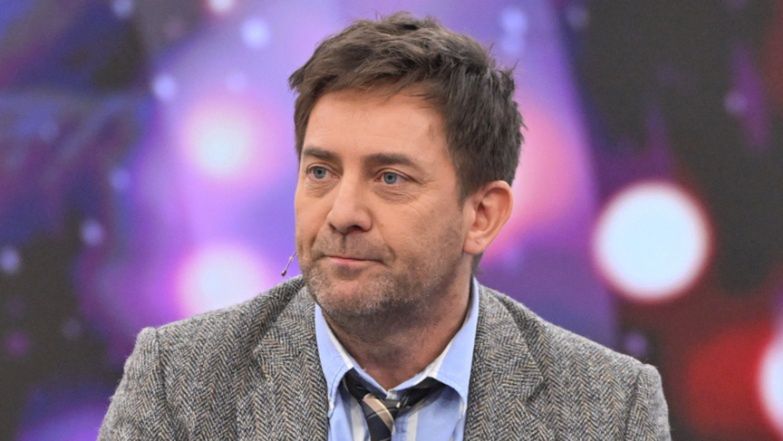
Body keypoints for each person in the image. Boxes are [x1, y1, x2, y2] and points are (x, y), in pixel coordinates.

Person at [99, 12, 670, 440]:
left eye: (390, 178)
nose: (342, 212)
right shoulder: (179, 381)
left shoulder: (609, 408)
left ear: (481, 215)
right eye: (320, 172)